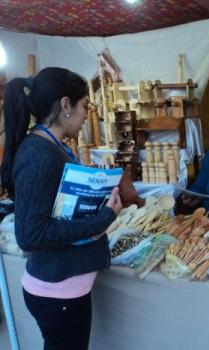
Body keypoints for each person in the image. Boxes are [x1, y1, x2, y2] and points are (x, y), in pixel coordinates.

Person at [1, 67, 123, 350]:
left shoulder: (50, 146)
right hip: (58, 293)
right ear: (66, 105)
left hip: (64, 289)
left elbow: (54, 209)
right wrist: (105, 217)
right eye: (83, 107)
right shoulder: (39, 154)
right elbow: (31, 234)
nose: (85, 116)